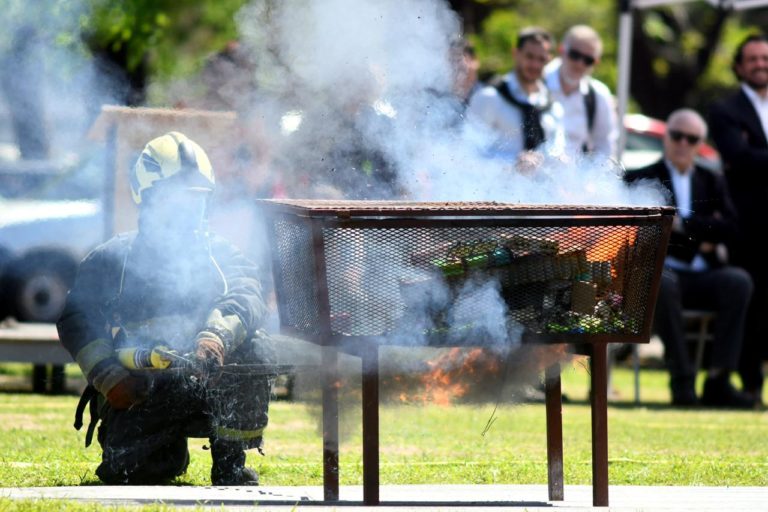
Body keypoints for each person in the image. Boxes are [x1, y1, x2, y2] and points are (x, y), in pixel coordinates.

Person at [57, 132, 275, 484]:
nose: (186, 210)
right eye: (175, 199)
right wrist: (109, 377)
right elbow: (77, 319)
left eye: (195, 199)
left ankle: (229, 463)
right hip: (142, 388)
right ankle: (151, 449)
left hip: (210, 378)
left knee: (256, 346)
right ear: (147, 197)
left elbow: (247, 293)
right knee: (135, 474)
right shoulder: (113, 260)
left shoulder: (222, 255)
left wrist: (215, 337)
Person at [626, 109, 754, 408]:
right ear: (666, 137)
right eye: (677, 135)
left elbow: (733, 229)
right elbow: (646, 233)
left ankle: (718, 379)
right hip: (664, 274)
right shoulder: (641, 177)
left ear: (700, 143)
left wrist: (683, 227)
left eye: (692, 138)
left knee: (738, 281)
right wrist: (703, 237)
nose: (683, 143)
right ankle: (682, 379)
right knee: (662, 281)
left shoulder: (712, 180)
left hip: (701, 275)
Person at [709, 33, 768, 407]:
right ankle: (751, 385)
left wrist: (756, 152)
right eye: (753, 59)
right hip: (750, 227)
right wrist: (749, 155)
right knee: (755, 305)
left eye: (765, 57)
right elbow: (738, 158)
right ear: (738, 66)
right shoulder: (725, 109)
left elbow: (751, 157)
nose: (761, 64)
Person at [466, 26, 565, 170]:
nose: (535, 64)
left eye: (541, 59)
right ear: (516, 53)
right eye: (529, 56)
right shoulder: (489, 97)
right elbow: (467, 153)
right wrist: (512, 164)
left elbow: (558, 151)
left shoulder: (553, 106)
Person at [544, 25, 618, 158]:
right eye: (575, 55)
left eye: (588, 60)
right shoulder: (538, 82)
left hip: (576, 177)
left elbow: (605, 147)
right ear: (562, 50)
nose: (579, 64)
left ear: (596, 62)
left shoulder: (599, 95)